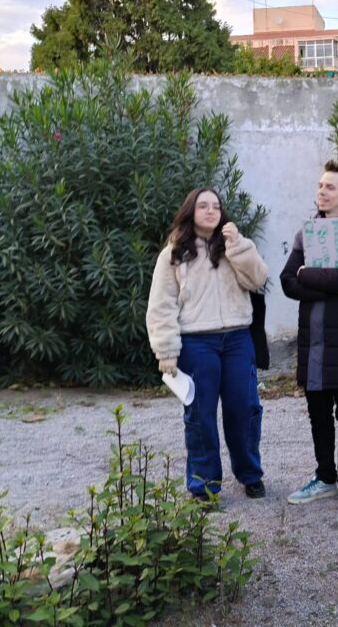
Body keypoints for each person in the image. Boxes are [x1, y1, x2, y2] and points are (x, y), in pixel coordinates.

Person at [146, 187, 269, 501]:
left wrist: (237, 245)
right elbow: (161, 305)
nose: (211, 211)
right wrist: (166, 352)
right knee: (199, 414)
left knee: (244, 409)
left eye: (216, 206)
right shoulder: (174, 252)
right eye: (203, 206)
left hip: (238, 339)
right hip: (197, 342)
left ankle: (250, 474)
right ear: (191, 211)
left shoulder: (235, 246)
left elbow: (257, 280)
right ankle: (204, 484)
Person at [281, 160, 338, 511]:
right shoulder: (307, 232)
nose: (322, 191)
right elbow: (288, 281)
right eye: (320, 186)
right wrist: (326, 284)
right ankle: (324, 476)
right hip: (315, 339)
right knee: (317, 413)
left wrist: (310, 275)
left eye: (330, 187)